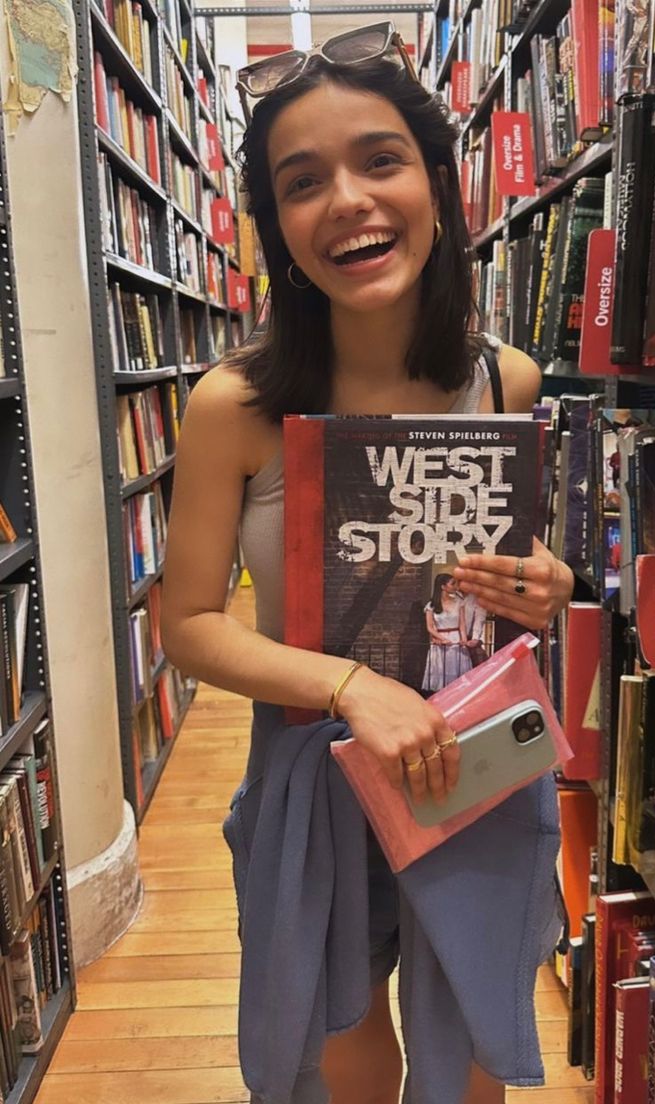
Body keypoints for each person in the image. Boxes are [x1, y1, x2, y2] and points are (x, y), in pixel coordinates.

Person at [161, 22, 574, 1104]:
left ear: (439, 185)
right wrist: (350, 685)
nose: (346, 199)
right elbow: (188, 623)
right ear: (276, 228)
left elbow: (512, 571)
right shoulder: (235, 406)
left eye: (380, 160)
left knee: (476, 1041)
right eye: (303, 182)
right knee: (341, 1052)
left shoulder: (508, 382)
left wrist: (549, 586)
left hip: (476, 765)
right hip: (317, 781)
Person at [421, 574, 472, 692]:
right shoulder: (431, 605)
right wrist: (442, 638)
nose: (455, 586)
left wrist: (463, 639)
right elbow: (429, 627)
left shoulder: (459, 602)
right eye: (452, 583)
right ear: (443, 586)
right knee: (441, 671)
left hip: (456, 638)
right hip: (441, 641)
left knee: (457, 669)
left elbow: (462, 624)